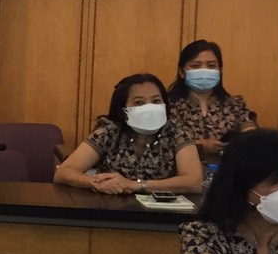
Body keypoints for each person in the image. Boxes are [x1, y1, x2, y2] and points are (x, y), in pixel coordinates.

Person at [54, 72, 203, 194]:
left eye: (156, 101)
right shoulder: (110, 131)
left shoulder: (177, 132)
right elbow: (63, 173)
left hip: (163, 214)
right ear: (123, 109)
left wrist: (135, 185)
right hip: (110, 209)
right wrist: (96, 182)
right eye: (139, 103)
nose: (150, 108)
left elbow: (193, 182)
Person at [167, 39, 252, 162]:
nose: (204, 71)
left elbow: (252, 135)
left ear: (220, 71)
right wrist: (200, 146)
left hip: (228, 169)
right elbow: (163, 143)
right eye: (195, 66)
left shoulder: (235, 104)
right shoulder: (168, 105)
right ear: (182, 72)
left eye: (211, 66)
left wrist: (247, 137)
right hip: (184, 170)